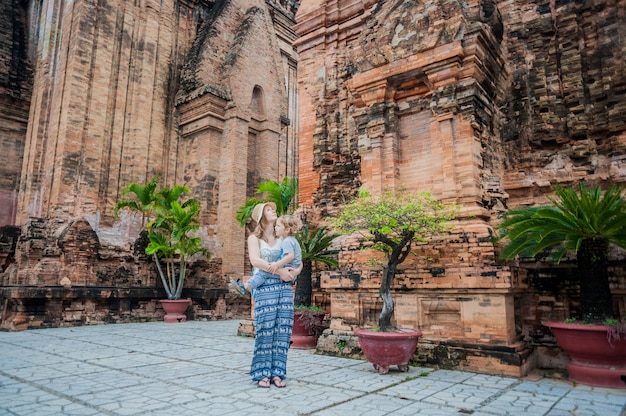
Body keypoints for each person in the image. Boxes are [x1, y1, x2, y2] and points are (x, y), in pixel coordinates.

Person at [244, 202, 301, 388]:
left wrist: (294, 272)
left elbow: (295, 259)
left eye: (274, 209)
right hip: (265, 288)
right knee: (265, 330)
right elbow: (256, 261)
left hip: (283, 288)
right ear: (261, 216)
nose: (274, 211)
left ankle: (278, 373)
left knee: (282, 330)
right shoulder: (254, 238)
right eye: (269, 209)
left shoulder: (284, 238)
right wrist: (279, 272)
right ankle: (262, 373)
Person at [244, 214, 302, 292]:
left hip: (288, 272)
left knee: (263, 272)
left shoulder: (286, 241)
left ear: (287, 230)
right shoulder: (292, 240)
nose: (276, 227)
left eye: (278, 226)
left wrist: (277, 265)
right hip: (289, 272)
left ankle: (248, 286)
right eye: (276, 225)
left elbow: (290, 256)